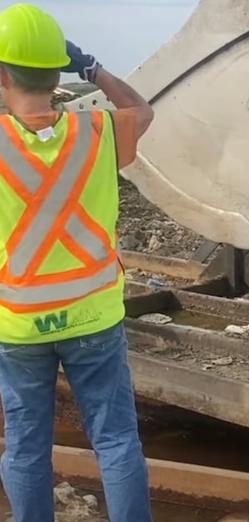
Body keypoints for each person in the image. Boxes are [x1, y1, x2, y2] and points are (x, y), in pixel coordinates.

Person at [0, 3, 154, 521]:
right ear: (59, 70)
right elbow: (144, 109)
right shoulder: (100, 134)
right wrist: (92, 68)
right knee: (116, 442)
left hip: (20, 328)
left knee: (25, 448)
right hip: (94, 317)